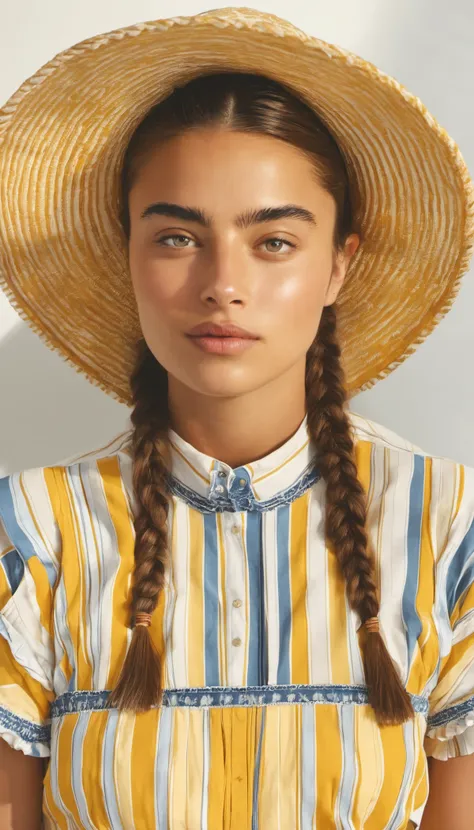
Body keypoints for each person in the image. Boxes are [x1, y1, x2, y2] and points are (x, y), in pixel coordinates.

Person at [0, 7, 473, 829]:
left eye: (274, 242)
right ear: (128, 254)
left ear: (339, 265)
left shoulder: (444, 526)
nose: (223, 283)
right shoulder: (34, 534)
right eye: (179, 237)